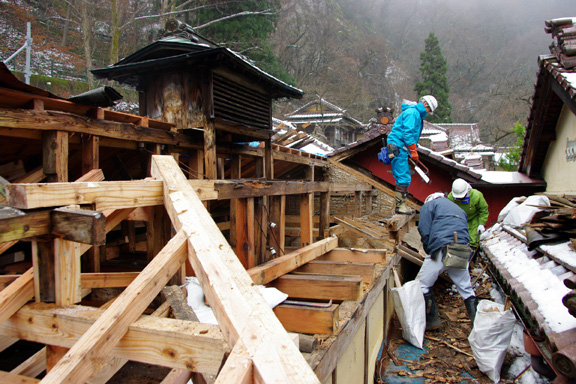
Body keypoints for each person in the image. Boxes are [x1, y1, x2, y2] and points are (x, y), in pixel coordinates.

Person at [416, 192, 479, 331]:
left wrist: (429, 249)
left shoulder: (429, 205)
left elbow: (424, 229)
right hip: (461, 248)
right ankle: (477, 326)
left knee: (422, 285)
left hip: (442, 247)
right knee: (466, 288)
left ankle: (432, 321)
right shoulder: (458, 209)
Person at [386, 95, 438, 214]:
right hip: (398, 146)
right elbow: (408, 133)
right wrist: (413, 150)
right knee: (403, 177)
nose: (428, 112)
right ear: (426, 105)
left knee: (402, 176)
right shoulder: (413, 113)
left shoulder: (415, 114)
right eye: (429, 109)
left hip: (399, 146)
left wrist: (412, 148)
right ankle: (400, 207)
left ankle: (401, 205)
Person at [447, 179, 489, 253]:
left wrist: (481, 223)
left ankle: (472, 255)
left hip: (474, 219)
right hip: (459, 220)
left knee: (473, 241)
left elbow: (483, 210)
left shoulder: (476, 195)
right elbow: (449, 212)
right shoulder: (451, 198)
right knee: (458, 240)